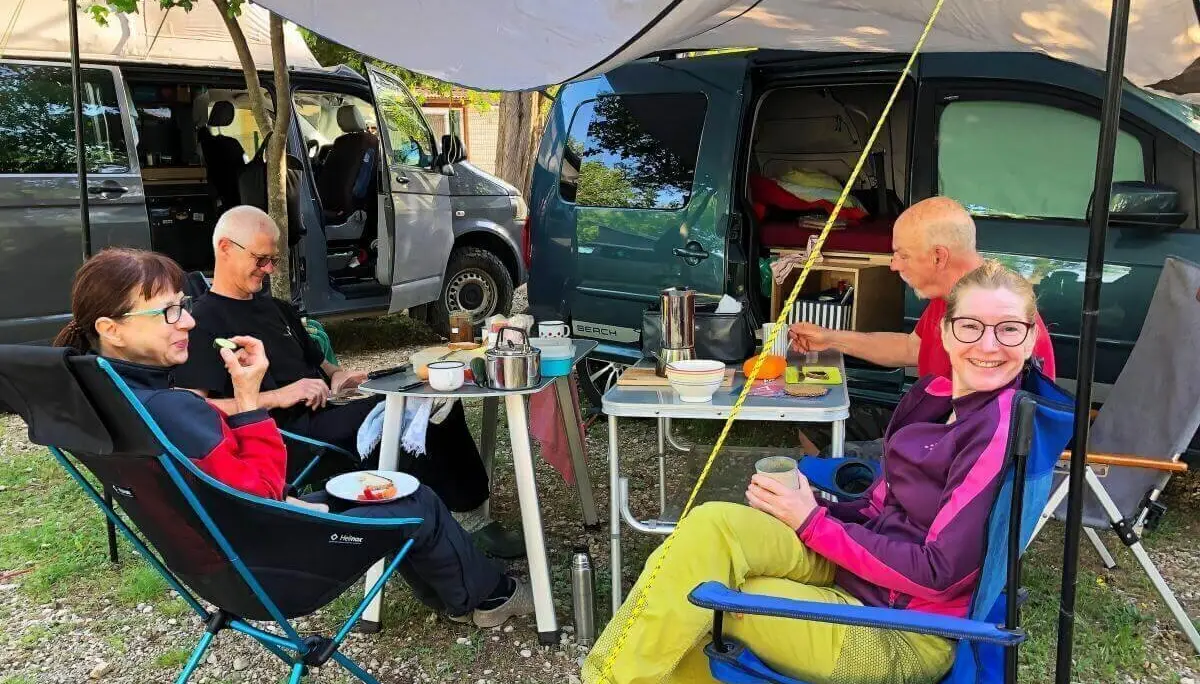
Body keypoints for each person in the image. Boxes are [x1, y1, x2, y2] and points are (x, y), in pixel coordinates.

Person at [584, 260, 1045, 684]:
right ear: (945, 332)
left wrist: (812, 523)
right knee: (712, 529)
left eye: (1008, 330)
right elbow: (879, 506)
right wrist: (814, 504)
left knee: (710, 601)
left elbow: (938, 574)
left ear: (1029, 339)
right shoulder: (934, 394)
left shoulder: (998, 429)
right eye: (970, 326)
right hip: (859, 573)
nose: (988, 345)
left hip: (902, 630)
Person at [52, 247, 534, 628]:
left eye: (183, 307)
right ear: (110, 329)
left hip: (214, 566)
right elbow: (265, 490)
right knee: (417, 501)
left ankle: (455, 591)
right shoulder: (175, 409)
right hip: (272, 564)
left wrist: (249, 397)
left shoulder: (106, 404)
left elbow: (236, 486)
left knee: (386, 493)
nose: (189, 321)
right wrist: (254, 400)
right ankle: (489, 597)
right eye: (169, 313)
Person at [171, 206, 523, 558]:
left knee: (436, 397)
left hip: (327, 412)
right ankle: (460, 523)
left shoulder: (275, 308)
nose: (269, 270)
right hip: (287, 437)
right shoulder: (203, 321)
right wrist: (279, 396)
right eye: (261, 259)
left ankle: (468, 513)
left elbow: (319, 362)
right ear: (225, 248)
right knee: (417, 413)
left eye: (273, 261)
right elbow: (189, 410)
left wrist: (338, 375)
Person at [787, 196, 1056, 459]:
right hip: (934, 422)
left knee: (833, 461)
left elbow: (987, 431)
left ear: (939, 257)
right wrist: (831, 338)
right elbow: (911, 347)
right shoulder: (956, 294)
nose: (894, 265)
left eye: (903, 255)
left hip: (962, 449)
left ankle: (849, 497)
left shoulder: (988, 311)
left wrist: (910, 446)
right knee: (817, 426)